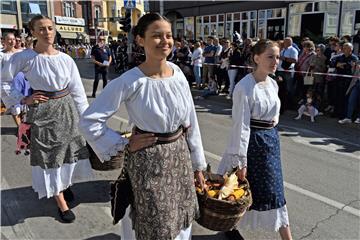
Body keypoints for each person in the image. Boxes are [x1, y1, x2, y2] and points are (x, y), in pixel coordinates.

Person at [79, 13, 206, 240]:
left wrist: (198, 165)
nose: (165, 41)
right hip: (149, 162)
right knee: (155, 221)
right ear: (140, 40)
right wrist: (123, 143)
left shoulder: (178, 75)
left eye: (168, 35)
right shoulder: (130, 81)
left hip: (180, 158)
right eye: (156, 35)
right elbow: (89, 121)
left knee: (180, 216)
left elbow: (191, 121)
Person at [1, 15, 92, 223]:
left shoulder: (66, 58)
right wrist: (23, 98)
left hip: (66, 109)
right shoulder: (24, 57)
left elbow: (77, 90)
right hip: (42, 111)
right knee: (48, 155)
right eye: (41, 29)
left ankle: (63, 185)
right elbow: (5, 80)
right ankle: (60, 201)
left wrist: (85, 118)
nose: (47, 32)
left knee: (68, 151)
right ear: (32, 32)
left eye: (50, 28)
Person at [218, 40, 293, 240]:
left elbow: (275, 116)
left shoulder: (273, 83)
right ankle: (230, 227)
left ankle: (286, 236)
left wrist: (272, 132)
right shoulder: (244, 87)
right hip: (252, 143)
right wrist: (241, 160)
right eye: (270, 57)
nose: (275, 61)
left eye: (277, 57)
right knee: (243, 190)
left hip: (270, 143)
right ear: (256, 58)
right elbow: (240, 126)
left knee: (274, 190)